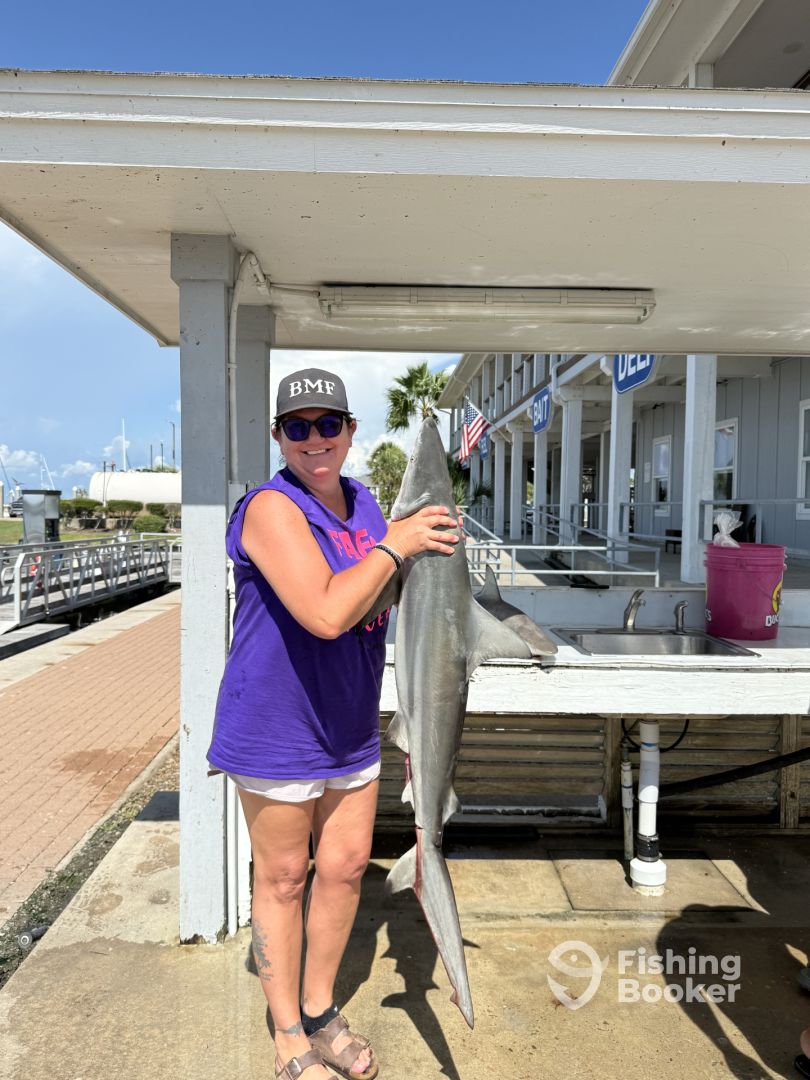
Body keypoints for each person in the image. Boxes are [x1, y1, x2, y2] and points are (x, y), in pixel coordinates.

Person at [207, 368, 459, 1080]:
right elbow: (324, 612)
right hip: (276, 726)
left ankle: (319, 1009)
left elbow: (383, 592)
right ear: (279, 436)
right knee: (285, 878)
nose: (314, 440)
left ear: (350, 432)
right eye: (298, 427)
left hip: (349, 725)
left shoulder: (367, 505)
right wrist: (397, 546)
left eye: (328, 425)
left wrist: (435, 556)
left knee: (345, 871)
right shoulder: (269, 509)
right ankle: (287, 1034)